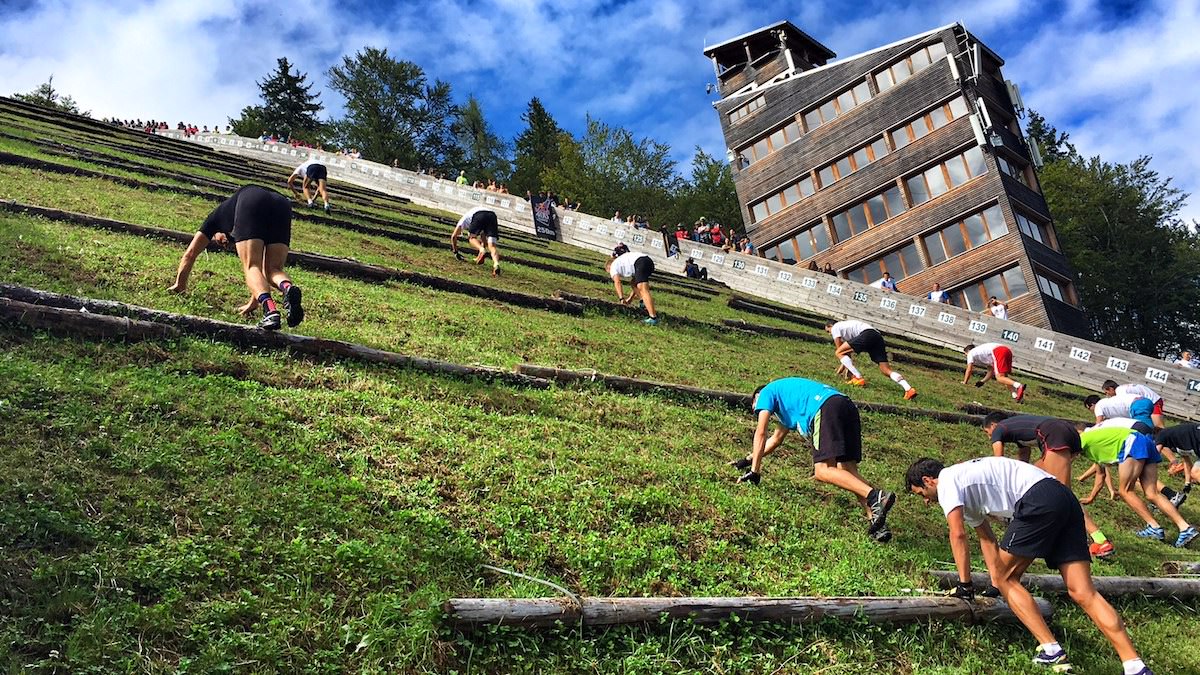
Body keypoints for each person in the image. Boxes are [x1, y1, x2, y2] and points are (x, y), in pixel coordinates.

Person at [906, 456, 1153, 675]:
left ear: (928, 481)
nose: (926, 502)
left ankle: (1051, 649)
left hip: (1037, 498)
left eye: (921, 494)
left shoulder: (948, 480)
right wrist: (994, 583)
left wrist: (965, 585)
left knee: (1007, 579)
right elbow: (987, 539)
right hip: (1063, 497)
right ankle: (1134, 665)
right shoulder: (964, 482)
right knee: (1082, 592)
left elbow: (957, 534)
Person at [733, 378, 897, 542]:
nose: (757, 410)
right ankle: (876, 521)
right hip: (845, 405)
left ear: (757, 397)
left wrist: (755, 472)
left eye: (755, 406)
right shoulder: (787, 403)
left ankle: (876, 496)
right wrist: (747, 460)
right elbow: (774, 440)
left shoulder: (766, 392)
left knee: (822, 470)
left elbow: (761, 433)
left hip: (825, 407)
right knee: (848, 471)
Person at [981, 412, 1117, 559]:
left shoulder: (999, 428)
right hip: (1067, 433)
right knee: (1037, 482)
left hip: (1055, 434)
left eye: (987, 432)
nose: (989, 437)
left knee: (1064, 494)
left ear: (993, 425)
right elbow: (1023, 459)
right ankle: (1023, 518)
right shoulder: (1018, 430)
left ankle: (1100, 541)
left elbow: (998, 463)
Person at [168, 185, 303, 331]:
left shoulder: (214, 219)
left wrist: (179, 285)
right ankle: (288, 288)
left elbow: (190, 254)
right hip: (281, 204)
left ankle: (270, 311)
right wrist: (253, 303)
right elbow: (262, 275)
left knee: (252, 266)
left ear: (218, 232)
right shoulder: (232, 212)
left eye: (222, 242)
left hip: (251, 200)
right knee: (273, 270)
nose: (225, 244)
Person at [1080, 422, 1197, 548]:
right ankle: (1185, 528)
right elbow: (1101, 474)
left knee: (1125, 491)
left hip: (1131, 443)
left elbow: (1066, 459)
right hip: (1144, 441)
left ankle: (1154, 527)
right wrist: (1091, 497)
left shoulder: (1081, 440)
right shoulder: (1093, 443)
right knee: (1152, 493)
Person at [824, 320, 916, 399]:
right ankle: (908, 389)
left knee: (838, 352)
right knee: (885, 370)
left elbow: (840, 350)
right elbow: (846, 354)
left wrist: (845, 370)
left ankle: (858, 377)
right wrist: (841, 370)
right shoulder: (846, 327)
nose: (830, 334)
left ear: (830, 326)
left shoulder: (836, 327)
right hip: (877, 336)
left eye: (828, 331)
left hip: (867, 334)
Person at [606, 249, 659, 325]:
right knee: (634, 283)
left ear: (608, 267)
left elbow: (617, 282)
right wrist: (630, 298)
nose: (612, 275)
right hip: (648, 262)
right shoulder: (621, 261)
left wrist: (621, 298)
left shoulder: (613, 266)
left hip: (641, 262)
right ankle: (643, 302)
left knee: (643, 289)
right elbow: (635, 284)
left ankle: (653, 318)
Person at [450, 206, 501, 276]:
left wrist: (455, 252)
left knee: (471, 238)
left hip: (479, 214)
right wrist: (479, 257)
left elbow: (453, 236)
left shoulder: (463, 220)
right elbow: (483, 240)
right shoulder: (472, 217)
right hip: (492, 216)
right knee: (492, 246)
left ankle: (481, 250)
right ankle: (496, 264)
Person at [1155, 423, 1199, 500]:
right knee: (1195, 472)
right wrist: (1187, 483)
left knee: (1196, 472)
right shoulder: (1178, 441)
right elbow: (1187, 462)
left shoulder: (1161, 434)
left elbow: (1154, 454)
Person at [1084, 393, 1153, 430]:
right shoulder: (1107, 402)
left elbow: (1098, 423)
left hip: (1137, 405)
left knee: (1145, 430)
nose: (1091, 411)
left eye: (1089, 408)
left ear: (1092, 404)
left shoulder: (1098, 405)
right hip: (1144, 401)